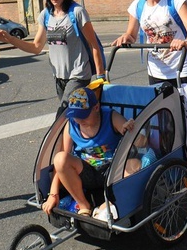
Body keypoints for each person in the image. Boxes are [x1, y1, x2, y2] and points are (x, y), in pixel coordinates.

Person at [0, 0, 104, 115]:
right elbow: (36, 48)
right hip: (58, 78)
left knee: (62, 115)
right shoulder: (46, 15)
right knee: (74, 119)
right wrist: (10, 38)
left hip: (79, 76)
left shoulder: (77, 12)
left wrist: (101, 77)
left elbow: (93, 44)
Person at [41, 87, 135, 216]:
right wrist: (53, 193)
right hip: (86, 172)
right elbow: (59, 164)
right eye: (75, 116)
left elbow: (141, 141)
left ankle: (108, 203)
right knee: (60, 158)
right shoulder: (71, 124)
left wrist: (130, 129)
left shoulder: (110, 117)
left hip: (112, 172)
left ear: (96, 107)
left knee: (135, 164)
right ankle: (84, 205)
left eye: (83, 116)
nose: (79, 120)